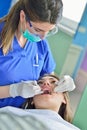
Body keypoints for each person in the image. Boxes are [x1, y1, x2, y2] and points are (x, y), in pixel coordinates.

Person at [0, 0, 63, 108]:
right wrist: (13, 90)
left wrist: (59, 83)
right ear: (23, 16)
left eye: (49, 31)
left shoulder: (41, 44)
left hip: (16, 117)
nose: (43, 37)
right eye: (38, 29)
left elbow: (47, 77)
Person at [0, 74, 80, 130]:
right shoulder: (10, 112)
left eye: (54, 82)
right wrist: (15, 89)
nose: (46, 83)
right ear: (32, 99)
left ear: (64, 99)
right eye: (40, 83)